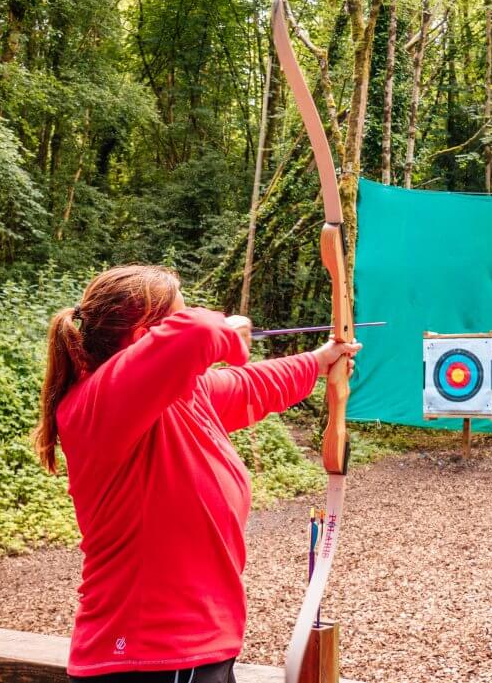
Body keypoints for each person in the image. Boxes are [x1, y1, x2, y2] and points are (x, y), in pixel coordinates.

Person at [33, 264, 360, 683]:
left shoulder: (182, 397)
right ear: (141, 341)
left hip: (191, 651)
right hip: (146, 656)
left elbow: (251, 385)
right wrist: (226, 329)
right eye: (181, 310)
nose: (194, 315)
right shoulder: (102, 400)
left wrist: (319, 362)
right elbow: (199, 333)